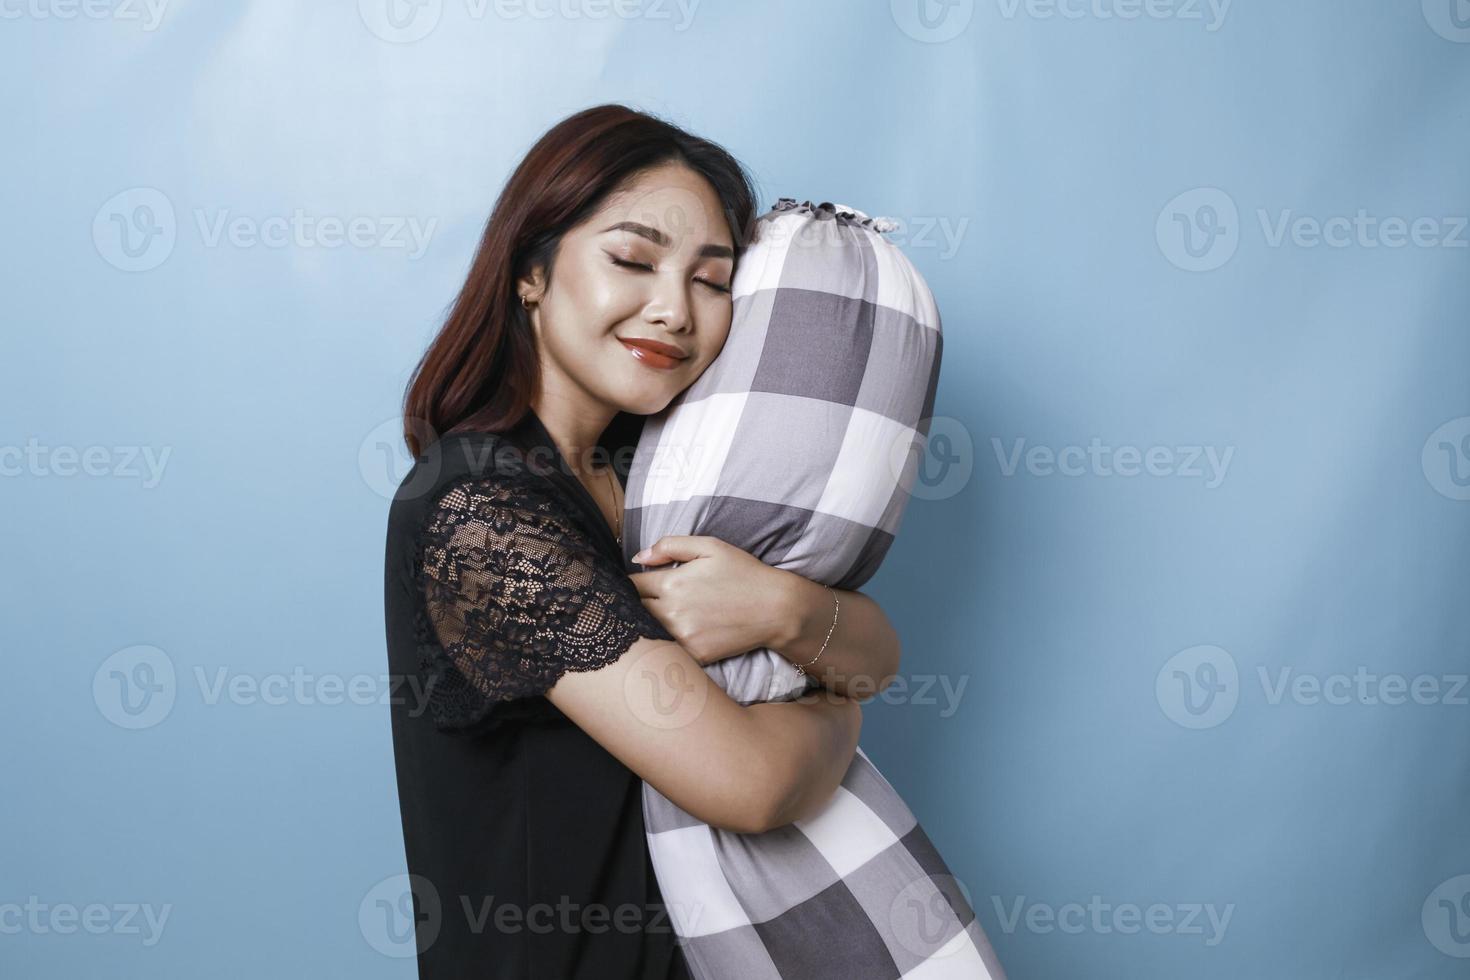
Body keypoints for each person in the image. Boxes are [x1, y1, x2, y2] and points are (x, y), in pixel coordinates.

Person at [382, 103, 903, 979]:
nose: (674, 311)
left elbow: (880, 653)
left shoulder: (667, 470)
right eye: (632, 259)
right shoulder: (475, 507)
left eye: (711, 281)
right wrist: (835, 705)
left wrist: (782, 607)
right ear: (530, 273)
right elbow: (751, 785)